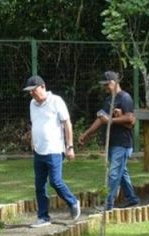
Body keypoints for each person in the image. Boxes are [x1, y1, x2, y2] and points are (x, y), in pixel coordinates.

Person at [78, 71, 141, 210]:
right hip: (112, 142)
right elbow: (101, 119)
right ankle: (132, 199)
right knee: (121, 173)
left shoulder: (125, 98)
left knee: (113, 173)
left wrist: (111, 120)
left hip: (123, 143)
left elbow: (130, 119)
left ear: (113, 82)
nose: (104, 87)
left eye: (106, 84)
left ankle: (107, 204)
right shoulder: (108, 100)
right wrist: (86, 134)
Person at [23, 75, 80, 227]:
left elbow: (67, 124)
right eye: (29, 91)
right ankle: (43, 217)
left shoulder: (56, 101)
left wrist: (70, 147)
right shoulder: (32, 104)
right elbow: (35, 124)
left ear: (43, 86)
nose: (32, 93)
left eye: (34, 90)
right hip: (38, 150)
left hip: (54, 149)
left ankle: (73, 202)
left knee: (55, 181)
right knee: (39, 185)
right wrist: (33, 141)